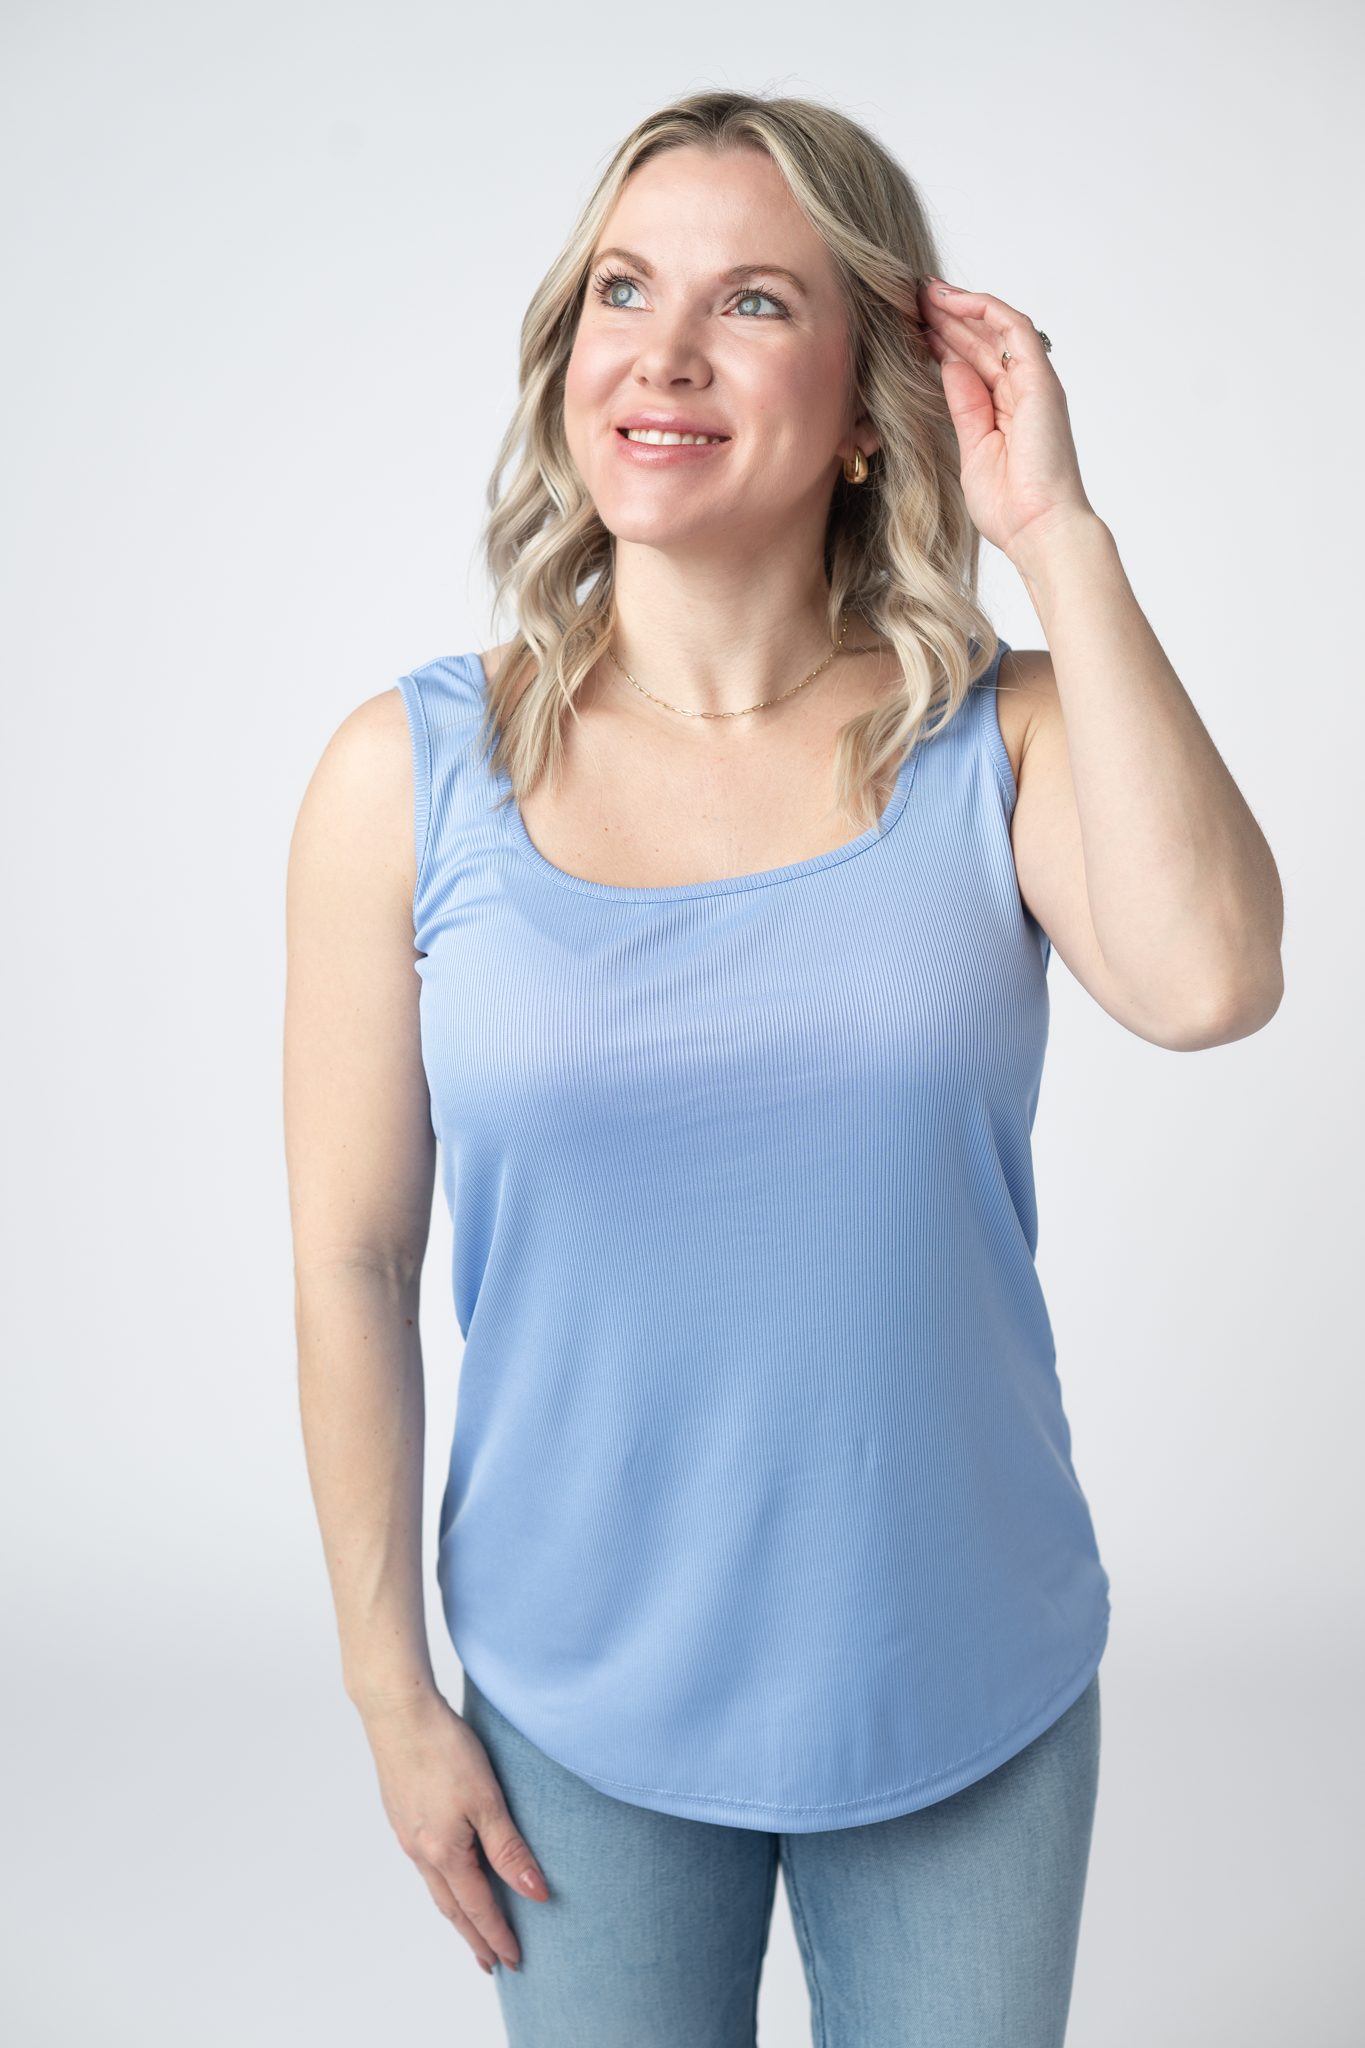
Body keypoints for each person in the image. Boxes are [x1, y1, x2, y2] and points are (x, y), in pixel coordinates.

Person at [284, 91, 1283, 2048]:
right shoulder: (406, 775)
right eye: (623, 291)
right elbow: (349, 1260)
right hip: (572, 1694)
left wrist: (1056, 537)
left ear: (865, 410)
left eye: (751, 301)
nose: (661, 351)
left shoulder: (1000, 738)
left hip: (963, 1673)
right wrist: (391, 1692)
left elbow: (1211, 980)